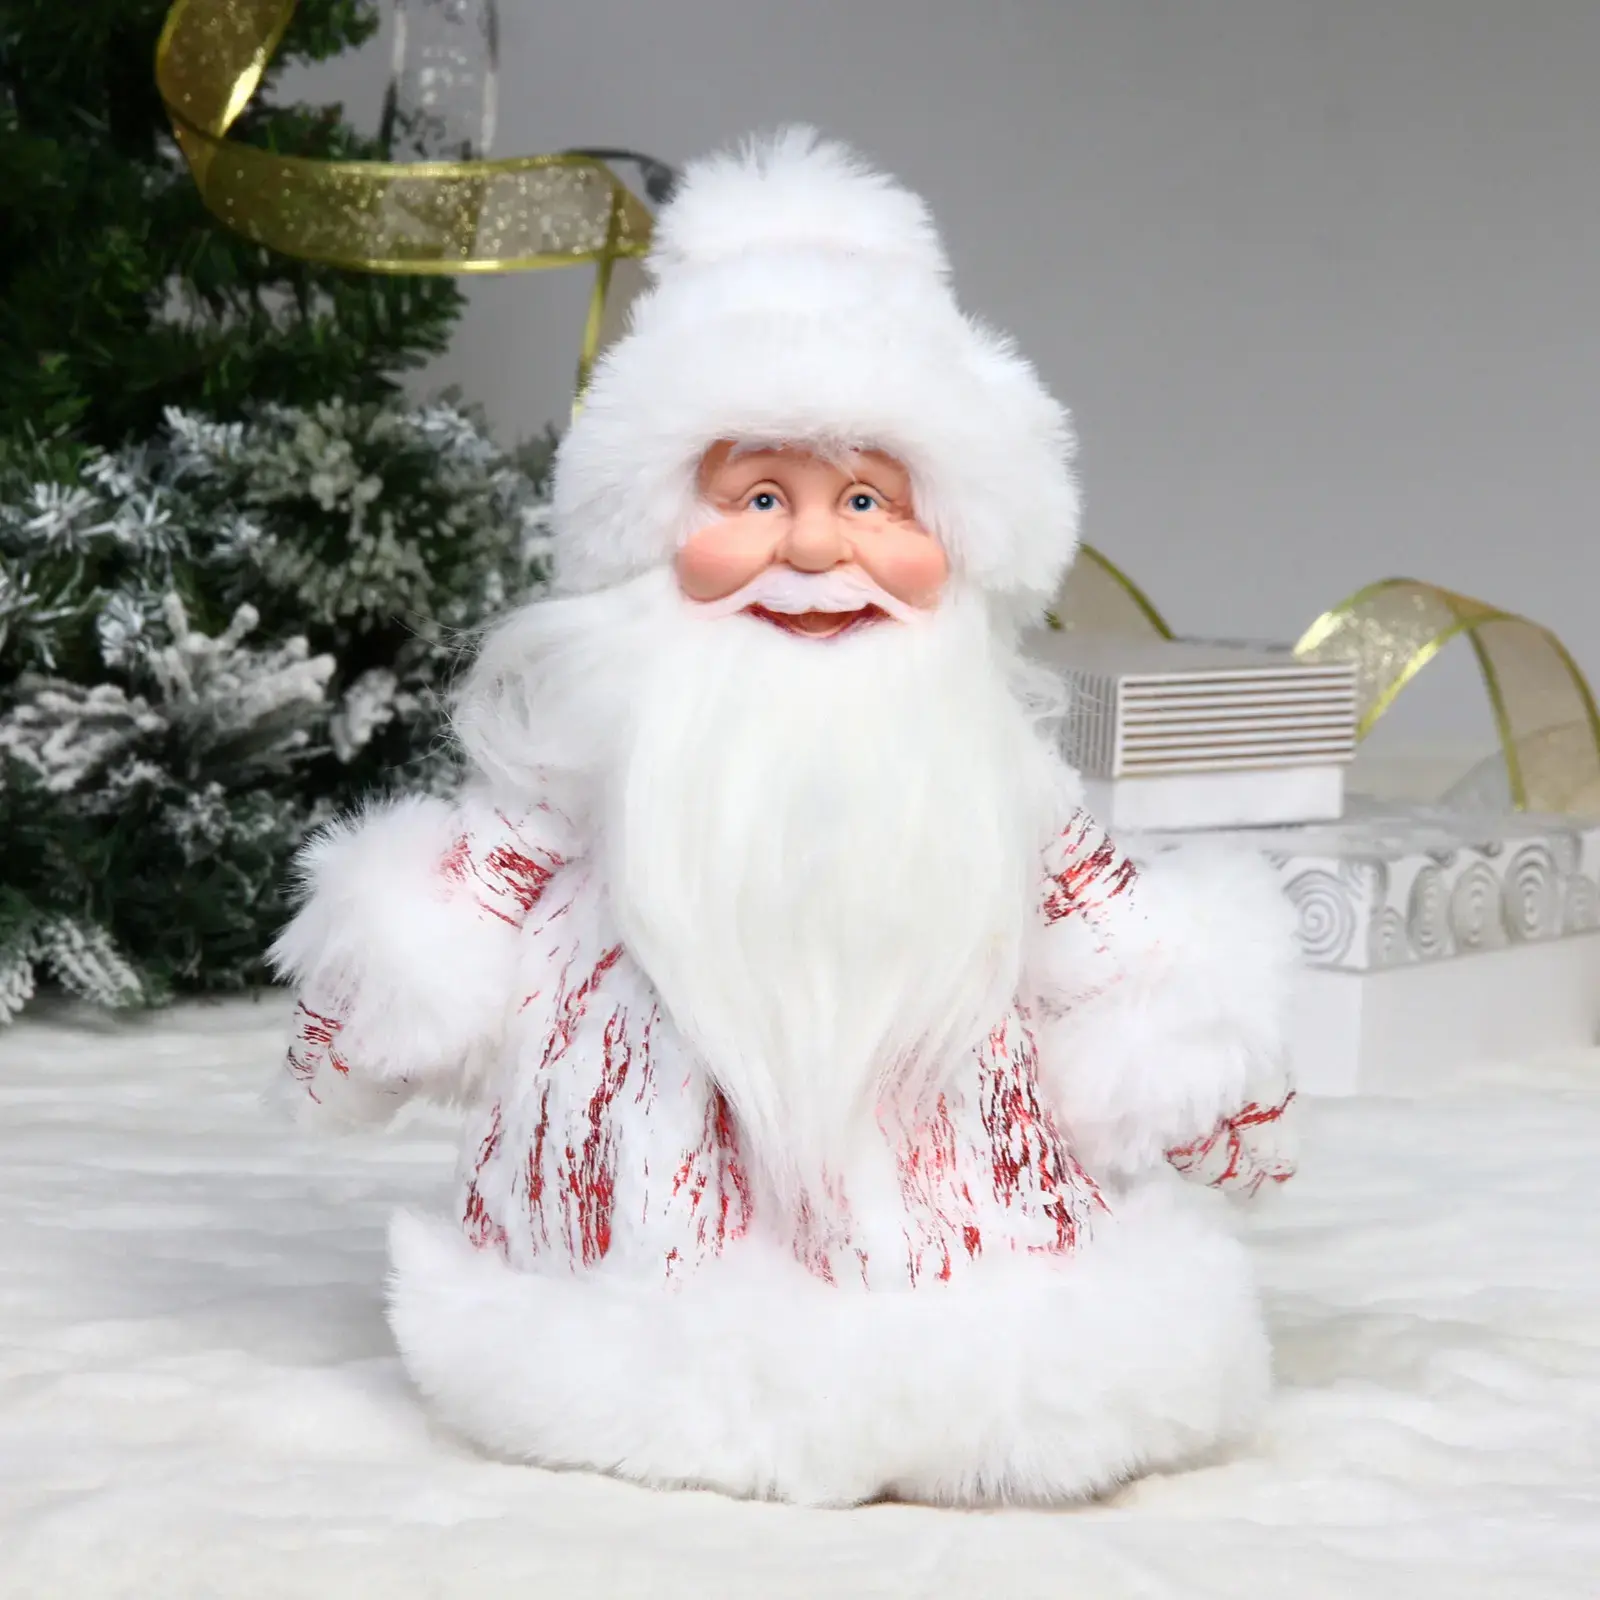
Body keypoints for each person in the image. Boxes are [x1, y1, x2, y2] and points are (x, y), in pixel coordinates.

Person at [272, 127, 1297, 1506]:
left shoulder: (988, 768)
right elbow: (457, 905)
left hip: (953, 1235)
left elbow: (1111, 935)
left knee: (981, 1273)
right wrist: (375, 1004)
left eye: (867, 500)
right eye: (760, 497)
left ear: (954, 542)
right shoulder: (603, 747)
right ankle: (657, 1367)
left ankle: (960, 1361)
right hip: (629, 1241)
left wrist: (1207, 1071)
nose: (815, 549)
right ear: (657, 536)